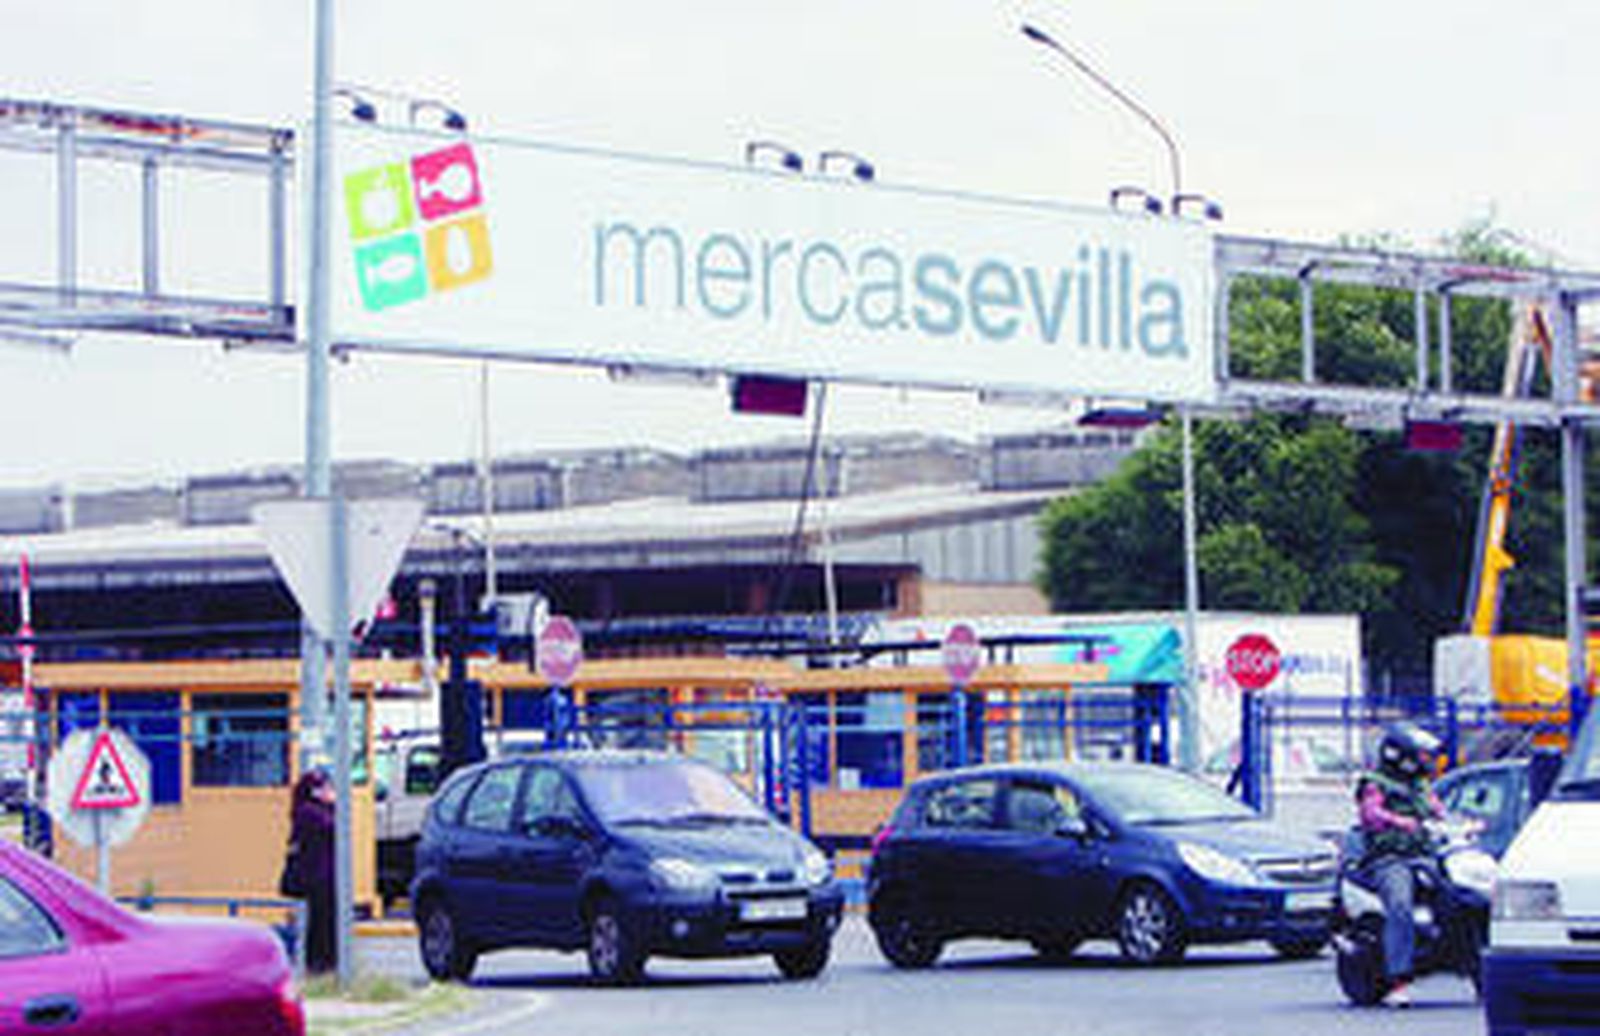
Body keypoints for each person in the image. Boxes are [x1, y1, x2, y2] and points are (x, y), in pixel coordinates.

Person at [1355, 721, 1445, 1009]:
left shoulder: (1421, 785)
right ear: (1400, 756)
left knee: (1466, 893)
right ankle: (1398, 981)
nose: (1426, 762)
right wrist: (1397, 821)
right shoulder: (1374, 784)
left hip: (1425, 855)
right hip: (1391, 858)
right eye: (1421, 756)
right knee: (1400, 905)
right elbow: (1370, 814)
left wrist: (1458, 821)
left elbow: (1437, 808)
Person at [287, 768, 337, 974]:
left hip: (322, 874)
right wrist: (333, 804)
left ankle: (323, 962)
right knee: (320, 922)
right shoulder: (309, 812)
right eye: (325, 787)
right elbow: (333, 827)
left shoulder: (308, 811)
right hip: (317, 876)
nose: (330, 791)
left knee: (323, 921)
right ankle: (320, 963)